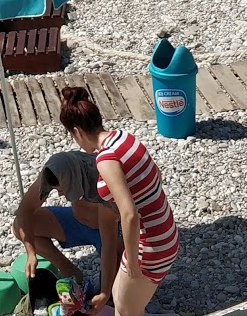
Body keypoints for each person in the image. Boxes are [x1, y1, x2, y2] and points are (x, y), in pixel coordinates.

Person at [57, 86, 177, 316]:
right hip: (166, 230)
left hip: (150, 244)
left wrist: (132, 261)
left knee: (125, 310)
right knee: (123, 302)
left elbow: (129, 214)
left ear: (77, 132)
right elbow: (156, 175)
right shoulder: (125, 137)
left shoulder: (106, 159)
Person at [12, 150, 121, 311]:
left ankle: (105, 287)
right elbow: (24, 211)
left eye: (62, 189)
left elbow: (109, 243)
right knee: (19, 227)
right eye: (55, 189)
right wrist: (31, 252)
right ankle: (70, 272)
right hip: (78, 222)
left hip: (111, 230)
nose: (59, 193)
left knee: (114, 291)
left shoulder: (100, 176)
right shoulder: (55, 170)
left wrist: (104, 292)